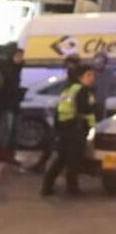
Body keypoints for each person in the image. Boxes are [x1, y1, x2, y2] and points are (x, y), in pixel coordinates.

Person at [40, 65, 102, 198]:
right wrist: (96, 107)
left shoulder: (69, 89)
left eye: (92, 75)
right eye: (89, 75)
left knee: (61, 158)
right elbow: (84, 109)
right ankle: (72, 189)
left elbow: (59, 110)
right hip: (76, 129)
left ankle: (47, 187)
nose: (92, 78)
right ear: (81, 77)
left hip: (65, 128)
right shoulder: (83, 90)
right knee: (73, 160)